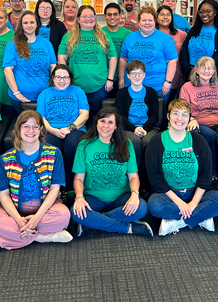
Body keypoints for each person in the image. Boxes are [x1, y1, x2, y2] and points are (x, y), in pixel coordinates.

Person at [0, 111, 73, 249]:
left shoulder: (53, 153)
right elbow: (3, 194)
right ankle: (44, 237)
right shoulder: (6, 159)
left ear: (41, 129)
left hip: (46, 207)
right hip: (16, 209)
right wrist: (19, 220)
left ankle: (6, 236)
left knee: (64, 215)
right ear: (18, 129)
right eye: (26, 126)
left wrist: (37, 217)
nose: (31, 130)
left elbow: (55, 188)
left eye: (35, 126)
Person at [146, 99, 218, 236]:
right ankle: (200, 217)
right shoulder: (156, 141)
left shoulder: (198, 140)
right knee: (154, 204)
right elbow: (155, 178)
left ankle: (177, 222)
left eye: (185, 114)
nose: (180, 118)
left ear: (190, 118)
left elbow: (206, 175)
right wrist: (179, 202)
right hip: (169, 195)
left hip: (195, 192)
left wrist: (193, 203)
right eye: (176, 113)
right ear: (168, 116)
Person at [71, 107, 153, 237]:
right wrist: (79, 197)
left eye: (110, 122)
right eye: (102, 121)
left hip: (121, 197)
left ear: (116, 126)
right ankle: (128, 228)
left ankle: (94, 221)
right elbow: (78, 179)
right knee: (76, 212)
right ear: (96, 123)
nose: (105, 126)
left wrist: (134, 194)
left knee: (142, 208)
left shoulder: (126, 144)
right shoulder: (84, 145)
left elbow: (133, 177)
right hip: (94, 198)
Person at [36, 64, 89, 190]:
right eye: (58, 77)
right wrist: (52, 130)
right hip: (50, 129)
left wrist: (69, 128)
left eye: (65, 77)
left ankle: (71, 187)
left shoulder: (78, 91)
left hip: (75, 129)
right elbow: (40, 117)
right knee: (50, 149)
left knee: (73, 147)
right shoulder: (44, 94)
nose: (62, 80)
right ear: (53, 78)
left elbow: (85, 114)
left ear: (70, 79)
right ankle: (53, 187)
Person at [179, 56, 218, 183]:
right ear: (197, 69)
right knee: (210, 135)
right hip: (200, 123)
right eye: (203, 67)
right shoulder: (187, 87)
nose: (206, 71)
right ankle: (211, 175)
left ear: (214, 71)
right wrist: (190, 119)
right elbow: (183, 110)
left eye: (210, 68)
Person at [58, 5, 117, 117]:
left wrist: (110, 79)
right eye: (84, 16)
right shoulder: (68, 36)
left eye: (91, 16)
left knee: (98, 117)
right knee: (77, 117)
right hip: (75, 85)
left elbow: (113, 57)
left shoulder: (104, 35)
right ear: (78, 19)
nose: (88, 18)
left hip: (99, 85)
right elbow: (62, 57)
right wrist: (64, 79)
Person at [118, 6, 178, 103]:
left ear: (155, 21)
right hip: (132, 85)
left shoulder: (165, 38)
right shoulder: (130, 38)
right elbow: (123, 59)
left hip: (158, 86)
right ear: (139, 21)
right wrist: (121, 78)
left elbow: (172, 61)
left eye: (150, 20)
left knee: (157, 115)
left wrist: (168, 82)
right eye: (144, 20)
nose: (147, 23)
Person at [3, 11, 57, 113]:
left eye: (32, 22)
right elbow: (7, 70)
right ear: (21, 25)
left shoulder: (46, 43)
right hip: (21, 98)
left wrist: (54, 89)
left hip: (44, 95)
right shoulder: (12, 44)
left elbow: (53, 67)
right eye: (25, 23)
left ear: (37, 24)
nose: (29, 25)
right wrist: (16, 93)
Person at [115, 60, 159, 166]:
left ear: (144, 75)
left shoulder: (151, 92)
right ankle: (135, 173)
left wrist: (145, 128)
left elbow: (155, 115)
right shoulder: (121, 93)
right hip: (128, 128)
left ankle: (148, 174)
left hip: (148, 128)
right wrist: (134, 129)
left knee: (149, 141)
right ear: (128, 76)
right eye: (133, 73)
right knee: (134, 141)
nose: (137, 76)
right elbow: (119, 116)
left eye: (140, 73)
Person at [180, 0, 218, 83]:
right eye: (201, 12)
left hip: (210, 76)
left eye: (208, 11)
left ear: (215, 13)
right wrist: (188, 70)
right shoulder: (194, 29)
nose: (204, 14)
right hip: (191, 74)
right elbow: (185, 49)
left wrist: (204, 71)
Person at [156, 5, 187, 101]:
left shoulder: (181, 34)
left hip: (175, 76)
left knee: (170, 105)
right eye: (162, 14)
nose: (165, 17)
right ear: (156, 17)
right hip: (155, 76)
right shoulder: (151, 34)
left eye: (168, 14)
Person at [102, 3, 133, 98]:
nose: (112, 17)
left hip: (125, 78)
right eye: (109, 14)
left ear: (120, 16)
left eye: (115, 14)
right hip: (104, 78)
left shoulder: (129, 35)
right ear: (104, 16)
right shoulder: (99, 33)